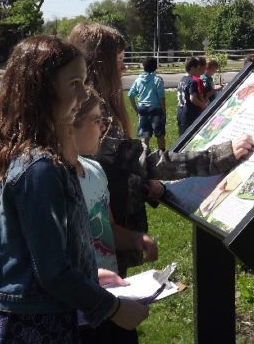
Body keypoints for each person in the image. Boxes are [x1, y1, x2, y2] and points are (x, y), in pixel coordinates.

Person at [0, 35, 148, 344]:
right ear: (40, 91)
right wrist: (114, 308)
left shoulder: (27, 156)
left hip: (26, 313)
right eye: (74, 84)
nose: (83, 95)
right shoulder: (39, 168)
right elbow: (51, 271)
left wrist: (88, 276)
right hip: (33, 323)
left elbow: (40, 249)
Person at [68, 22, 254, 278]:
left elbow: (115, 163)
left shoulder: (85, 103)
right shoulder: (90, 109)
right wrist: (219, 157)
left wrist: (141, 184)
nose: (125, 67)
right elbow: (147, 160)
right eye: (120, 60)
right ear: (100, 64)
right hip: (100, 239)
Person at [70, 86, 157, 344]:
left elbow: (107, 228)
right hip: (80, 313)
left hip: (114, 299)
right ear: (69, 125)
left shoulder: (95, 171)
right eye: (97, 121)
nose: (103, 128)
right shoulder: (56, 182)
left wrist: (136, 239)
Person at [128, 57, 166, 151]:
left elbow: (130, 95)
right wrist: (164, 111)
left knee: (144, 136)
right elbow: (161, 98)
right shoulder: (157, 80)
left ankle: (144, 155)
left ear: (143, 66)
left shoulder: (138, 79)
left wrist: (136, 109)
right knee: (160, 135)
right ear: (155, 67)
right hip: (156, 109)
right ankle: (162, 155)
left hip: (143, 109)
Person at [176, 56, 207, 136]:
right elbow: (193, 98)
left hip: (181, 111)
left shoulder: (182, 80)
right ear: (193, 68)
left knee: (182, 135)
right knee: (191, 135)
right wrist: (202, 105)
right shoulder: (192, 81)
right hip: (190, 113)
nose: (198, 71)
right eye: (197, 68)